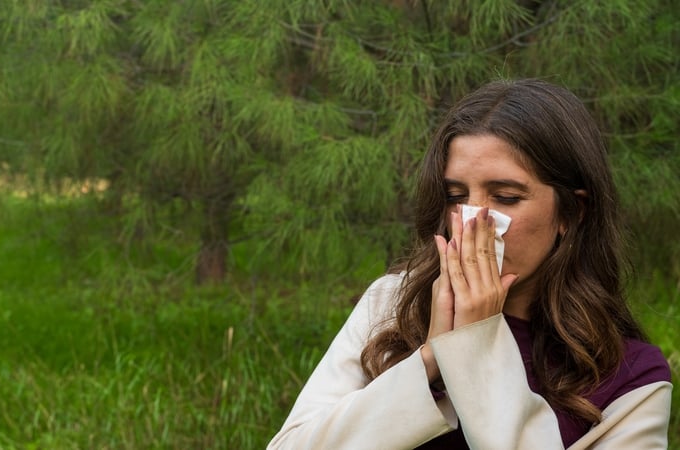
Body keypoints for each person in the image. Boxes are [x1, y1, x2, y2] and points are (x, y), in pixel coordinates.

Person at [267, 79, 672, 449]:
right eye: (457, 196)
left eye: (506, 197)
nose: (474, 219)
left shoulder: (632, 380)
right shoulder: (392, 303)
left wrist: (477, 344)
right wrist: (430, 359)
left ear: (572, 212)